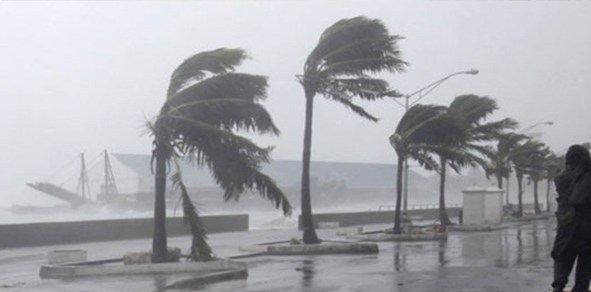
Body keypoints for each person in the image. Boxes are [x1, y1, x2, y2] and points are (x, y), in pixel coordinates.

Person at [551, 144, 591, 292]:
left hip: (567, 227)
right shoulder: (586, 175)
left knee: (562, 258)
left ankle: (558, 285)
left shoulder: (564, 177)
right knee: (584, 267)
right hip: (586, 229)